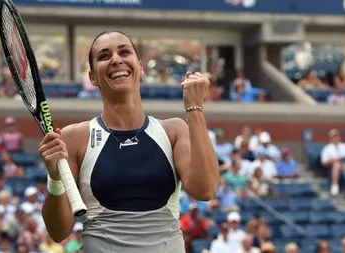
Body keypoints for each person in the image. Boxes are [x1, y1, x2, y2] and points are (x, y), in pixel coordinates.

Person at [38, 30, 220, 253]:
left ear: (140, 67)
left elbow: (205, 190)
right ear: (93, 77)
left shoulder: (173, 131)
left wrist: (195, 109)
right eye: (104, 56)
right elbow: (58, 232)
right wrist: (55, 179)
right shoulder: (73, 138)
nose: (116, 59)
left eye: (124, 52)